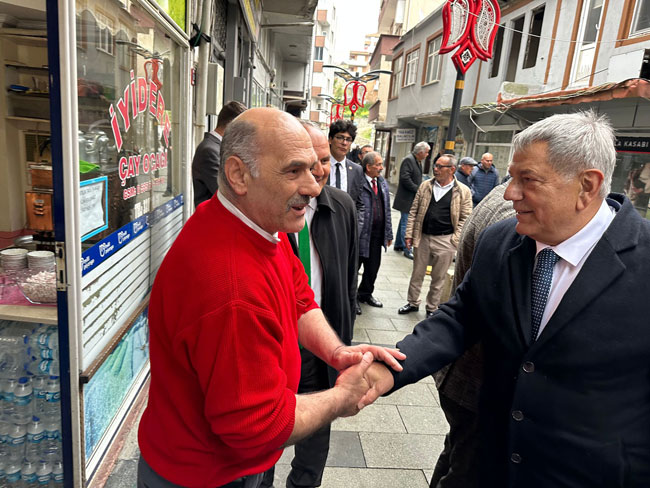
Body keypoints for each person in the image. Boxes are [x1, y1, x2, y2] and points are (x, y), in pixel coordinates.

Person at [362, 111, 650, 487]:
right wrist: (389, 368)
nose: (510, 193)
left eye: (527, 180)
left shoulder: (643, 261)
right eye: (511, 176)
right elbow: (460, 317)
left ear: (587, 186)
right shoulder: (501, 240)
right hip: (489, 465)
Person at [137, 108, 405, 488]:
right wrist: (340, 398)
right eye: (293, 171)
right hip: (207, 477)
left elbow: (299, 298)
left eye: (312, 168)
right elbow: (257, 425)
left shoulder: (256, 225)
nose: (313, 187)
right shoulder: (232, 289)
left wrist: (336, 353)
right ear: (238, 175)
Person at [280, 121, 360, 488]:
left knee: (316, 433)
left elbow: (348, 280)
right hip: (277, 342)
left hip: (321, 341)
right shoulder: (267, 210)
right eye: (306, 164)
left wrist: (343, 343)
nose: (317, 174)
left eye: (324, 162)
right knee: (264, 432)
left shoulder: (342, 206)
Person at [430, 182, 515, 488]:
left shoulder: (501, 196)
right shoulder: (515, 220)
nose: (516, 191)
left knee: (458, 453)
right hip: (476, 380)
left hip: (464, 374)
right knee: (468, 470)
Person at [398, 154, 472, 318]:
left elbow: (465, 218)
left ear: (452, 169)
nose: (435, 169)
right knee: (417, 274)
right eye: (435, 165)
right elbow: (414, 211)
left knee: (439, 277)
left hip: (446, 239)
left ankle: (432, 307)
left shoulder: (463, 191)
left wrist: (455, 240)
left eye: (440, 166)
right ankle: (412, 302)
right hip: (423, 237)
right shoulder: (425, 186)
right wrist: (409, 234)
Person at [191, 100, 247, 207]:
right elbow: (226, 193)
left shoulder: (216, 147)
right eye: (241, 130)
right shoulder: (209, 151)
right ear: (231, 126)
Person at [357, 151, 393, 312]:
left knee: (372, 268)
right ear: (368, 166)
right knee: (354, 268)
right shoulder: (358, 182)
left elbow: (387, 209)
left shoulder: (381, 182)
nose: (381, 167)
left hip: (377, 235)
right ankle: (351, 299)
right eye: (378, 164)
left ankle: (365, 294)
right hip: (361, 234)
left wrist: (388, 233)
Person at [393, 142, 430, 259]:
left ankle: (398, 244)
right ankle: (407, 249)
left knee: (403, 222)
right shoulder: (409, 160)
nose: (427, 155)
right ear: (420, 152)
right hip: (406, 198)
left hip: (410, 198)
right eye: (426, 152)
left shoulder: (417, 161)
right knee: (406, 224)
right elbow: (405, 178)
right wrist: (418, 189)